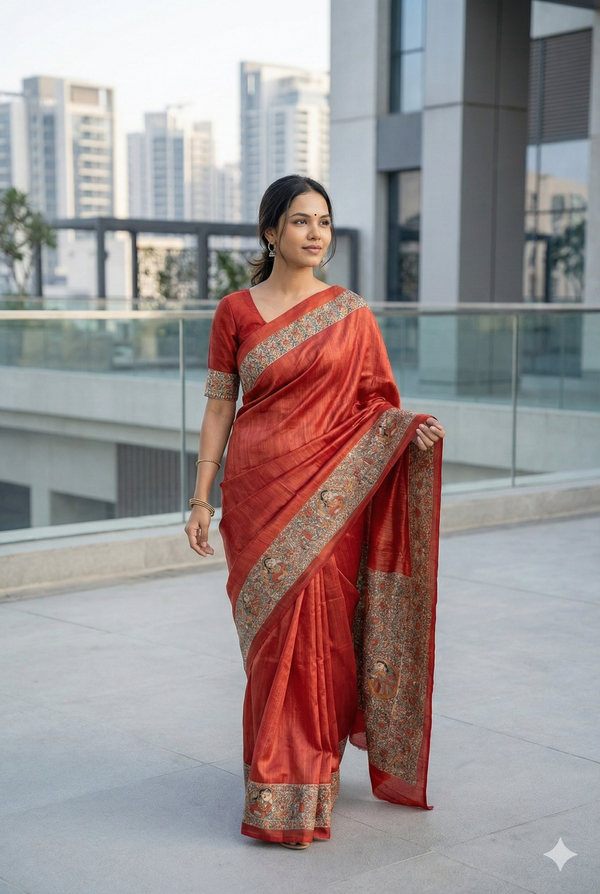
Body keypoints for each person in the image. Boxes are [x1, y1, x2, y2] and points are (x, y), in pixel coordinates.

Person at [185, 174, 445, 850]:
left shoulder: (351, 313)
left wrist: (405, 431)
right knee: (273, 645)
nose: (315, 233)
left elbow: (375, 403)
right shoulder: (234, 312)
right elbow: (219, 406)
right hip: (254, 493)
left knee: (323, 629)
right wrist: (200, 498)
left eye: (323, 221)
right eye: (300, 221)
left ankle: (306, 771)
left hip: (330, 495)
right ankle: (276, 775)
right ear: (270, 231)